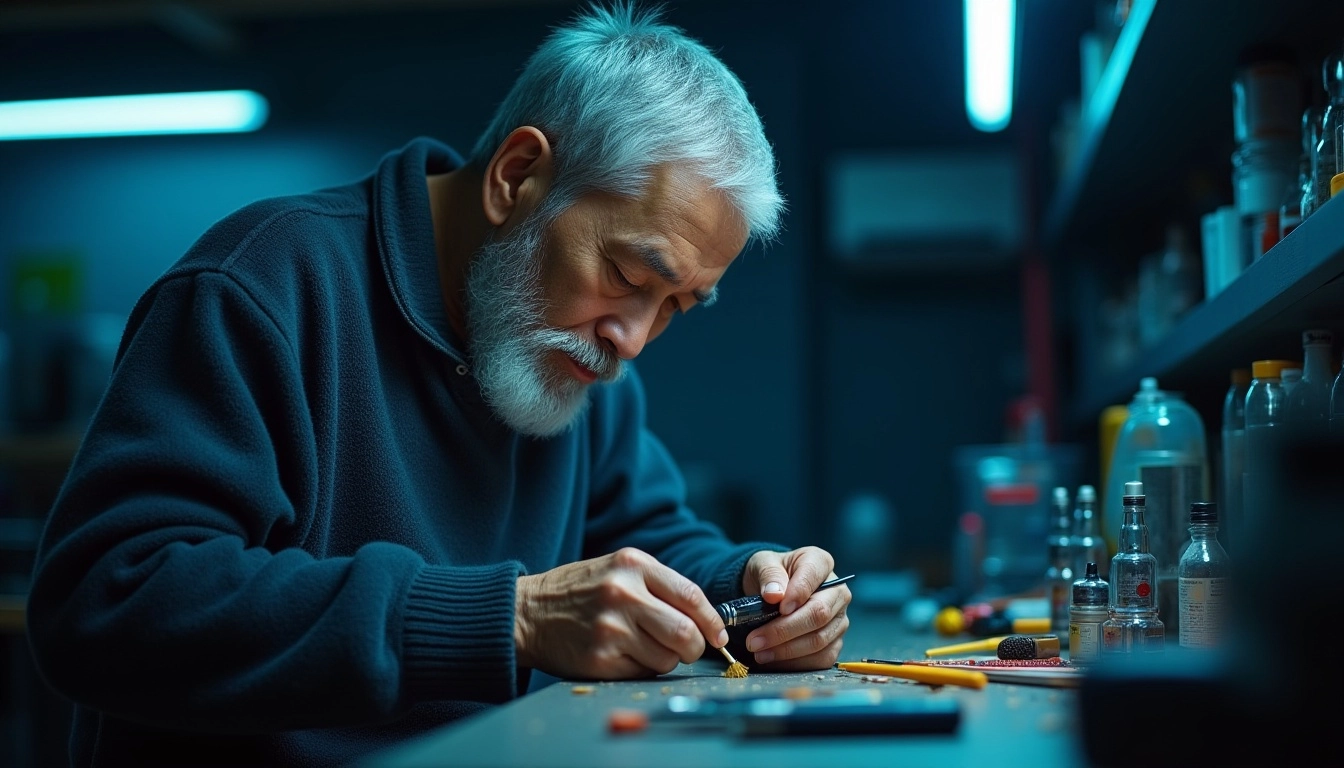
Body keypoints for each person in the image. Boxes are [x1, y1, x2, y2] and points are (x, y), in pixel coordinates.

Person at [26, 2, 851, 765]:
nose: (632, 339)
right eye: (630, 276)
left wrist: (752, 593)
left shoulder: (582, 359)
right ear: (516, 176)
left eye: (677, 305)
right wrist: (505, 618)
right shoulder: (262, 287)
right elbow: (109, 602)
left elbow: (646, 541)